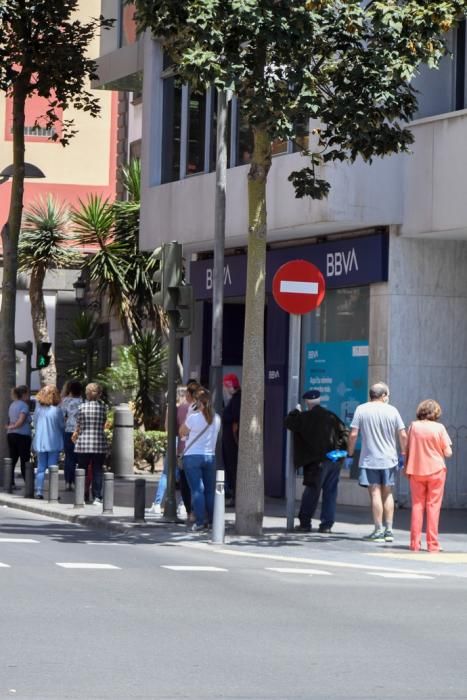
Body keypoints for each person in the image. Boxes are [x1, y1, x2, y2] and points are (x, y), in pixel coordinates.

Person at [347, 381, 407, 543]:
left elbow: (353, 435)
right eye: (387, 394)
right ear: (383, 396)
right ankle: (389, 530)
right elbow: (403, 434)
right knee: (387, 493)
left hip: (369, 460)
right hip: (389, 459)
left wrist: (350, 454)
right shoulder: (392, 410)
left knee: (375, 493)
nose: (388, 397)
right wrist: (403, 454)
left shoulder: (361, 409)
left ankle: (378, 529)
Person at [285, 389, 349, 533]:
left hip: (316, 463)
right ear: (319, 400)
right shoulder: (331, 416)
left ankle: (305, 523)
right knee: (330, 492)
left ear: (307, 402)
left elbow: (289, 423)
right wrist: (339, 452)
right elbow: (345, 432)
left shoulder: (304, 417)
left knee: (311, 492)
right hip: (334, 461)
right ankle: (326, 525)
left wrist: (295, 411)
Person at [404, 399, 452, 553]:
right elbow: (448, 452)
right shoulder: (439, 428)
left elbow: (407, 448)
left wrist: (406, 468)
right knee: (433, 507)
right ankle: (432, 544)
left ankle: (414, 543)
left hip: (416, 470)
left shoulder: (413, 426)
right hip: (436, 470)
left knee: (417, 506)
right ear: (436, 412)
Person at [148, 381, 199, 518]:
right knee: (185, 476)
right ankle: (183, 505)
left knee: (166, 473)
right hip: (191, 445)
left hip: (176, 441)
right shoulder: (197, 408)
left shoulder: (176, 408)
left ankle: (157, 504)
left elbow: (168, 428)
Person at [180, 388, 221, 532]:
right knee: (210, 491)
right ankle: (211, 521)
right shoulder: (217, 418)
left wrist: (191, 414)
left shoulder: (194, 418)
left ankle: (200, 521)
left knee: (197, 490)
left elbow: (182, 432)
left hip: (192, 457)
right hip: (210, 457)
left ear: (199, 402)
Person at [72, 382, 108, 505]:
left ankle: (81, 495)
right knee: (97, 469)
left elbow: (78, 424)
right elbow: (103, 423)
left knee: (82, 469)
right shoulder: (103, 407)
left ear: (87, 394)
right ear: (99, 394)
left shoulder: (81, 407)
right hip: (99, 442)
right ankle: (97, 497)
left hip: (83, 442)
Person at [32, 385, 64, 499]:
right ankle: (53, 492)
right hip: (53, 441)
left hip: (40, 441)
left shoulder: (38, 410)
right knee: (53, 468)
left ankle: (39, 491)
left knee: (40, 468)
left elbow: (34, 424)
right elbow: (61, 426)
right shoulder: (57, 411)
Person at [6, 385, 32, 488]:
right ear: (24, 394)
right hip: (22, 435)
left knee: (12, 459)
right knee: (24, 459)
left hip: (11, 435)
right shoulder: (24, 406)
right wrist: (14, 426)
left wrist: (10, 427)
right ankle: (28, 483)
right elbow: (21, 421)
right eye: (28, 393)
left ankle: (10, 482)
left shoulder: (12, 404)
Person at [222, 373, 241, 505]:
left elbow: (233, 417)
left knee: (233, 469)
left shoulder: (237, 399)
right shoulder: (235, 398)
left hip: (232, 441)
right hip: (230, 439)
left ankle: (236, 496)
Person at [60, 380, 83, 491]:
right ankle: (75, 481)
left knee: (69, 457)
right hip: (79, 432)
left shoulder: (65, 401)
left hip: (67, 431)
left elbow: (62, 417)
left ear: (70, 390)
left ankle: (68, 482)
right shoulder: (83, 402)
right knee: (78, 457)